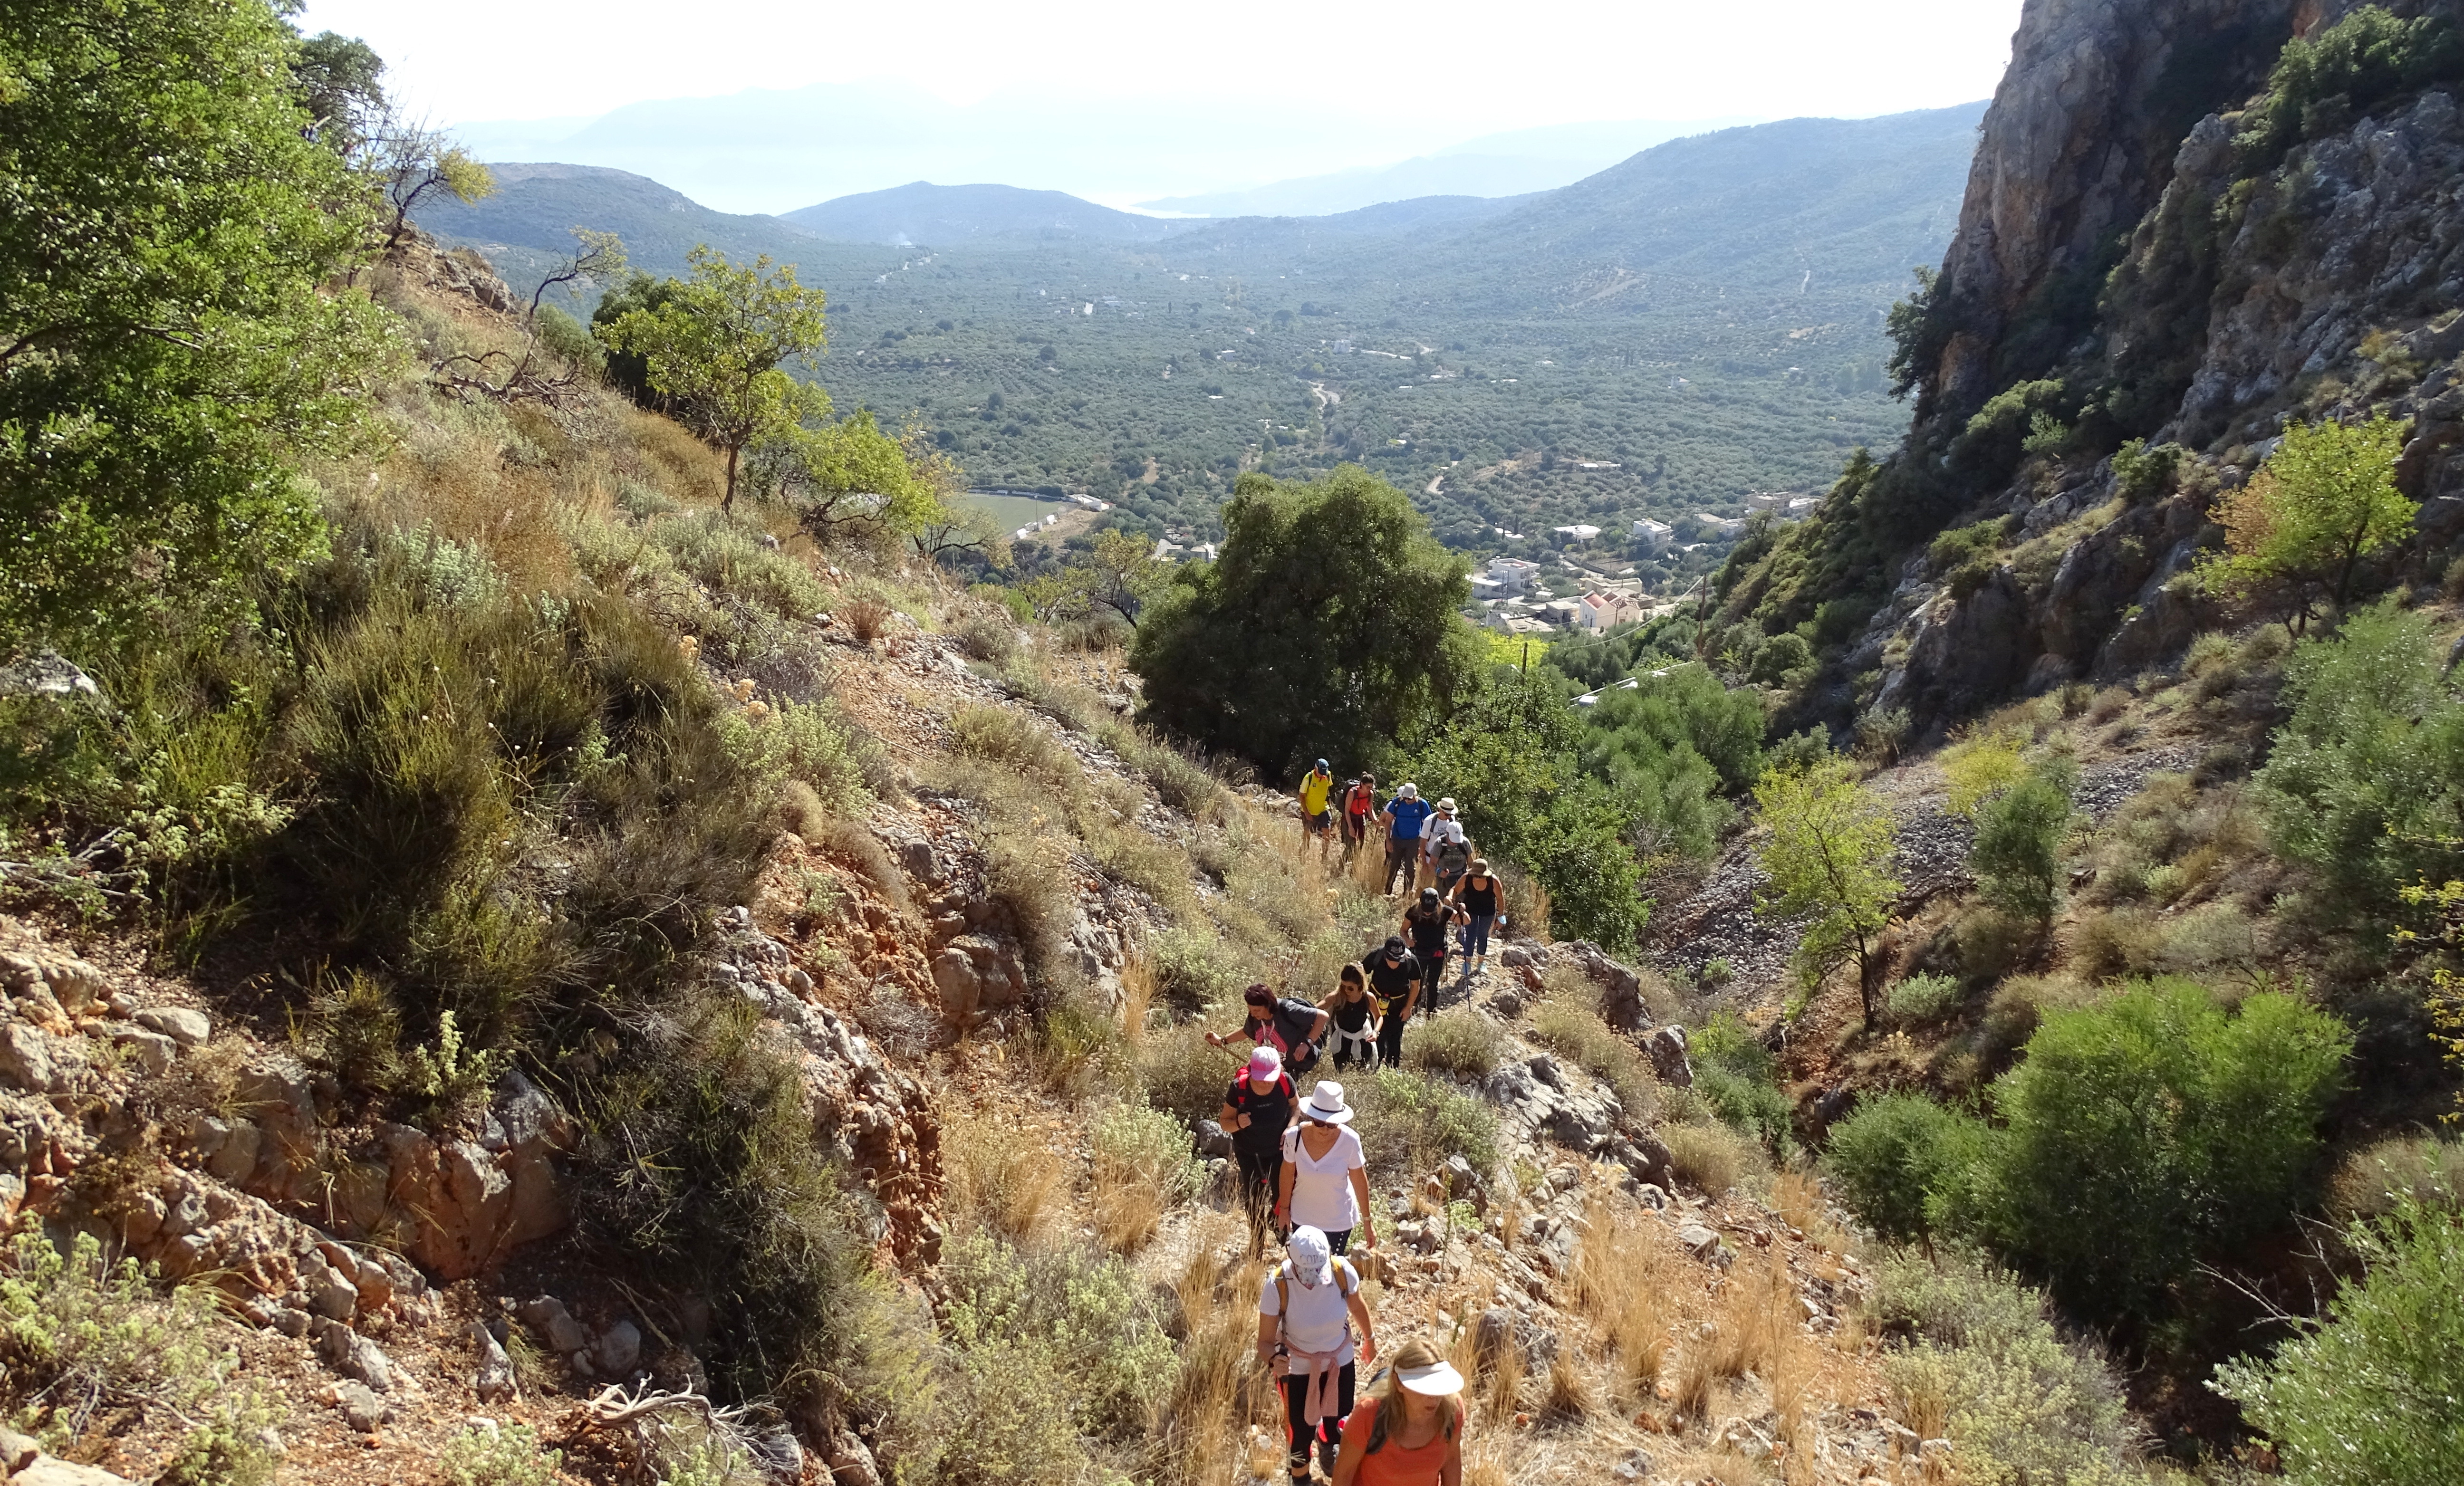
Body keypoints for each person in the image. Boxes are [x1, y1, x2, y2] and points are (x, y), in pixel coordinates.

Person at [1258, 1225, 1377, 1486]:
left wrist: (1370, 1339)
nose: (1312, 1279)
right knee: (1300, 1434)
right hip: (1298, 1368)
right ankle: (1300, 1481)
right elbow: (1264, 1343)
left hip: (1339, 1362)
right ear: (1291, 1260)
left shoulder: (1341, 1272)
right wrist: (1273, 1359)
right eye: (1305, 1273)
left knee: (1340, 1425)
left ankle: (1327, 1443)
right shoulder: (1277, 1285)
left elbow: (1357, 1305)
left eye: (1317, 1271)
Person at [1328, 1339, 1466, 1486]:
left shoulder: (1452, 1409)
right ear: (1399, 1383)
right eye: (1424, 1388)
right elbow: (1344, 1475)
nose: (1433, 1397)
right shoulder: (1368, 1415)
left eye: (1439, 1386)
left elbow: (1451, 1462)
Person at [1276, 1082, 1375, 1254]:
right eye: (1319, 1123)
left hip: (1339, 1223)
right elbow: (1287, 1174)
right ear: (1311, 1117)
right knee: (1304, 1272)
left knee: (1331, 1274)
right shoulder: (1294, 1138)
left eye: (1332, 1124)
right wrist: (1284, 1210)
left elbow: (1359, 1180)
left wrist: (1368, 1221)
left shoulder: (1350, 1141)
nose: (1325, 1129)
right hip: (1302, 1218)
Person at [1220, 1046, 1298, 1240]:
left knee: (1283, 1195)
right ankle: (1258, 1240)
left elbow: (1296, 1107)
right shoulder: (1239, 1087)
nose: (1265, 1082)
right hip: (1249, 1153)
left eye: (1269, 1077)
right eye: (1261, 1077)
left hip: (1279, 1151)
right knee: (1254, 1198)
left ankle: (1276, 1223)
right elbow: (1224, 1123)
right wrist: (1238, 1123)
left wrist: (1290, 1127)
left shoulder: (1285, 1081)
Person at [1211, 983, 1333, 1074]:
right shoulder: (1255, 1017)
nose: (1253, 1014)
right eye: (1251, 1010)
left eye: (1257, 1010)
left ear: (1268, 1005)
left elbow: (1323, 1017)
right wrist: (1222, 1041)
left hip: (1302, 1065)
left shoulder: (1288, 1010)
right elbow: (1246, 1032)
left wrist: (1307, 1044)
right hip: (1278, 1067)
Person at [1400, 888, 1461, 1018]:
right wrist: (1408, 941)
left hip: (1437, 952)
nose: (1427, 913)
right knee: (1417, 981)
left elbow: (1465, 922)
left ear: (1437, 904)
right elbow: (1403, 930)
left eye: (1430, 910)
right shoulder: (1414, 912)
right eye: (1425, 910)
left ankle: (1431, 1011)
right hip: (1419, 951)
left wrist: (1462, 911)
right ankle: (1415, 1006)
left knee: (1433, 983)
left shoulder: (1445, 911)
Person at [1364, 937, 1420, 1070]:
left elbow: (1415, 985)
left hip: (1399, 1005)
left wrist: (1408, 1008)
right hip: (1376, 1002)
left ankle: (1393, 1067)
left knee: (1395, 1037)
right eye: (1391, 959)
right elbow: (1361, 972)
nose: (1394, 963)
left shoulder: (1411, 960)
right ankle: (1375, 1065)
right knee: (1377, 1034)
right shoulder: (1376, 956)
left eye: (1398, 960)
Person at [1446, 860, 1501, 981]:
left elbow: (1501, 899)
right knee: (1470, 936)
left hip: (1488, 912)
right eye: (1475, 875)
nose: (1477, 878)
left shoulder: (1494, 881)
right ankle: (1467, 963)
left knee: (1483, 936)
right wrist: (1450, 897)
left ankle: (1481, 963)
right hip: (1471, 911)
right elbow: (1455, 890)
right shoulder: (1467, 878)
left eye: (1479, 876)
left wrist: (1501, 917)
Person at [1319, 964, 1380, 1071]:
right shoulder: (1337, 997)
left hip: (1362, 1040)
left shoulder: (1368, 998)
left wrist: (1375, 1032)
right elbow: (1317, 1008)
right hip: (1341, 1042)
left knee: (1361, 1071)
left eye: (1351, 988)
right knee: (1341, 1071)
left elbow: (1379, 1017)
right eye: (1343, 987)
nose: (1346, 990)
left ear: (1360, 986)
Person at [1381, 784, 1433, 897]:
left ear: (1415, 795)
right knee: (1394, 865)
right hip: (1397, 839)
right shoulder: (1397, 803)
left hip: (1414, 841)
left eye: (1410, 798)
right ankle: (1388, 891)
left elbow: (1428, 825)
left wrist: (1423, 846)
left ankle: (1407, 893)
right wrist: (1388, 841)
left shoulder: (1422, 805)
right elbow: (1388, 821)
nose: (1407, 800)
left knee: (1410, 868)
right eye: (1405, 798)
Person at [1422, 798, 1473, 897]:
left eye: (1450, 814)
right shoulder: (1430, 822)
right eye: (1447, 814)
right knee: (1427, 889)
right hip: (1432, 858)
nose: (1449, 816)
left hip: (1459, 876)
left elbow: (1471, 863)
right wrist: (1426, 865)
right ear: (1440, 810)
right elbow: (1423, 843)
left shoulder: (1453, 823)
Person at [1338, 772, 1379, 867]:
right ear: (1362, 784)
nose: (1370, 789)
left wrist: (1375, 820)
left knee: (1361, 844)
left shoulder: (1370, 794)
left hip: (1360, 818)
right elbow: (1347, 811)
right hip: (1349, 818)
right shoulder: (1353, 792)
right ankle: (1341, 866)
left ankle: (1354, 869)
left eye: (1371, 787)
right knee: (1351, 844)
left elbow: (1370, 809)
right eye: (1368, 787)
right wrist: (1350, 828)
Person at [1299, 758, 1337, 860]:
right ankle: (1303, 852)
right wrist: (1306, 813)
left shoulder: (1328, 775)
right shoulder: (1309, 778)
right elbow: (1302, 796)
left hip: (1323, 809)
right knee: (1307, 833)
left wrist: (1330, 807)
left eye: (1324, 773)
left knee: (1326, 832)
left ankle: (1324, 856)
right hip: (1309, 810)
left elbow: (1327, 791)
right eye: (1320, 772)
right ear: (1316, 768)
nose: (1322, 775)